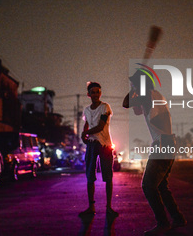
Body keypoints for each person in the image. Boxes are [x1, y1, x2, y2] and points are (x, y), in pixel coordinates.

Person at [123, 69, 186, 236]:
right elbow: (136, 110)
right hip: (167, 142)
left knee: (148, 186)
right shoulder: (154, 95)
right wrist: (136, 85)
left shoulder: (147, 94)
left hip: (162, 144)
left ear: (141, 85)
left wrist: (134, 88)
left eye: (134, 83)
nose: (132, 86)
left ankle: (163, 223)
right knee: (161, 186)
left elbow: (126, 102)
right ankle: (177, 218)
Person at [79, 82, 118, 218]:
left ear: (100, 93)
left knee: (108, 177)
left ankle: (108, 207)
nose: (95, 94)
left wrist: (85, 133)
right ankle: (91, 206)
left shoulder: (105, 107)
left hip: (105, 145)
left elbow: (101, 126)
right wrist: (84, 135)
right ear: (88, 94)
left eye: (97, 92)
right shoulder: (87, 110)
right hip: (91, 144)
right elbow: (86, 124)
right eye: (92, 92)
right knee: (90, 176)